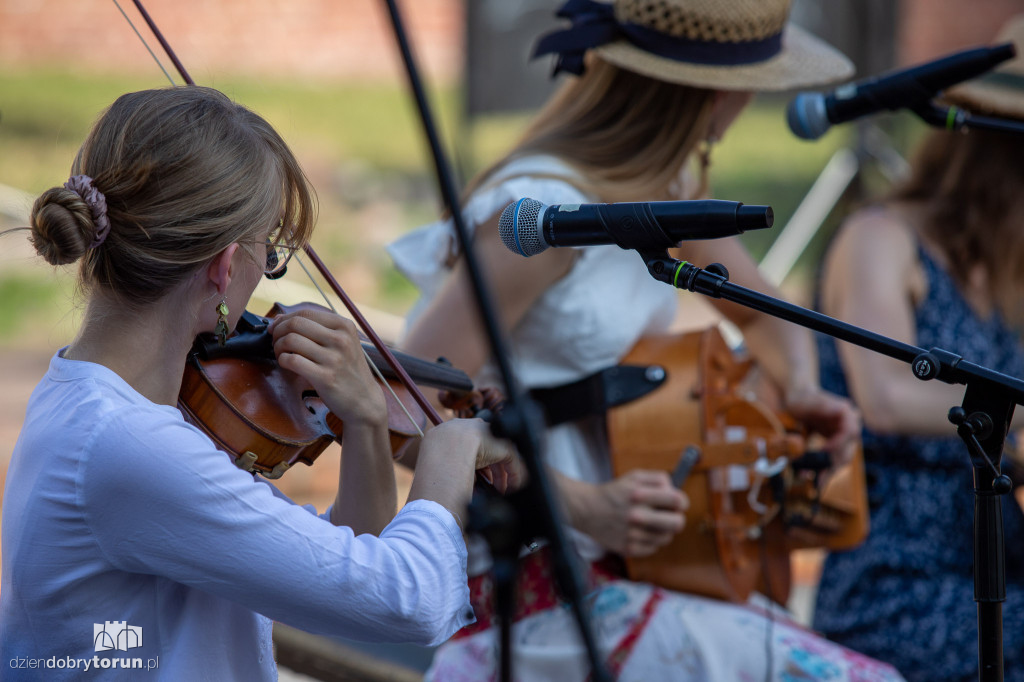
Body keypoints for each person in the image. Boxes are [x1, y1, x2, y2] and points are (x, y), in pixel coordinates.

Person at [387, 0, 903, 679]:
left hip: (637, 570)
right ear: (716, 93)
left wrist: (800, 391)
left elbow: (764, 313)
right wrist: (581, 504)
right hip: (540, 591)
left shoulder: (659, 188)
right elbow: (403, 411)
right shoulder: (543, 218)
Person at [0, 85, 523, 681]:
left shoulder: (89, 400)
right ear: (224, 267)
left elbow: (347, 572)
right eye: (269, 253)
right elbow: (411, 603)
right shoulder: (130, 447)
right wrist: (451, 450)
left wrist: (367, 420)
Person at [812, 16, 1024, 682]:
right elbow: (885, 394)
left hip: (996, 568)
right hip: (899, 585)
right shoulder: (882, 238)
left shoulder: (1003, 275)